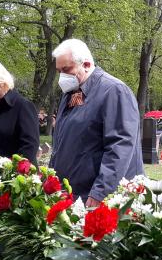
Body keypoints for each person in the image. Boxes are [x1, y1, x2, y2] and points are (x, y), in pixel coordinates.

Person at [49, 39, 143, 207]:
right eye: (59, 71)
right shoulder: (72, 93)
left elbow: (120, 147)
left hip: (99, 198)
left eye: (66, 69)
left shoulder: (114, 91)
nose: (61, 76)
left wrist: (101, 192)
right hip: (72, 195)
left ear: (86, 64)